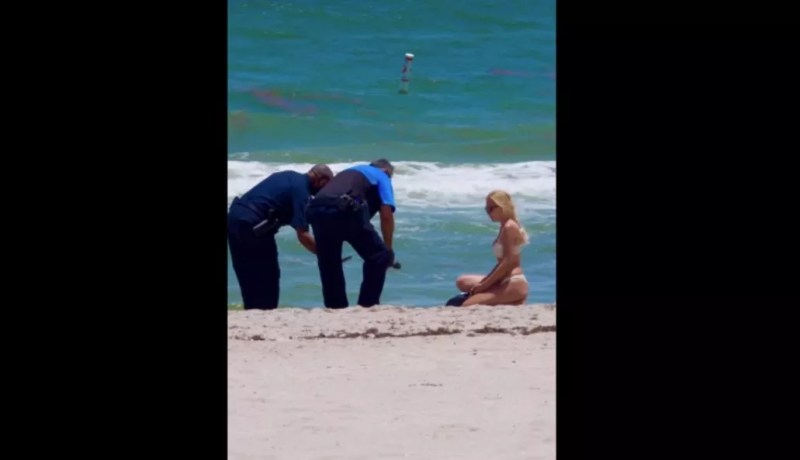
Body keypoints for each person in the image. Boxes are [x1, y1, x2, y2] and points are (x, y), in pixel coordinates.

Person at [228, 164, 334, 310]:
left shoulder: (288, 176)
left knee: (247, 274)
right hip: (254, 224)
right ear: (322, 180)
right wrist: (326, 254)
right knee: (269, 276)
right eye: (327, 186)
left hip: (233, 218)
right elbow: (303, 234)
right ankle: (266, 312)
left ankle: (251, 311)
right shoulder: (302, 191)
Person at [306, 159, 397, 308]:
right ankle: (367, 305)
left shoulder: (348, 172)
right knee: (379, 256)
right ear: (386, 171)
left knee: (329, 263)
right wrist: (388, 249)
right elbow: (386, 214)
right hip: (345, 209)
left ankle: (335, 308)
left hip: (316, 210)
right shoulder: (382, 176)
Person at [453, 190, 530, 306]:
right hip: (503, 280)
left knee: (467, 305)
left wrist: (484, 285)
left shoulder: (509, 227)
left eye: (491, 209)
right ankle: (509, 300)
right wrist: (485, 282)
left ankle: (514, 298)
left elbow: (508, 262)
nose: (488, 213)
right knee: (462, 281)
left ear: (502, 207)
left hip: (513, 281)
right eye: (486, 209)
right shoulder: (505, 226)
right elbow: (502, 263)